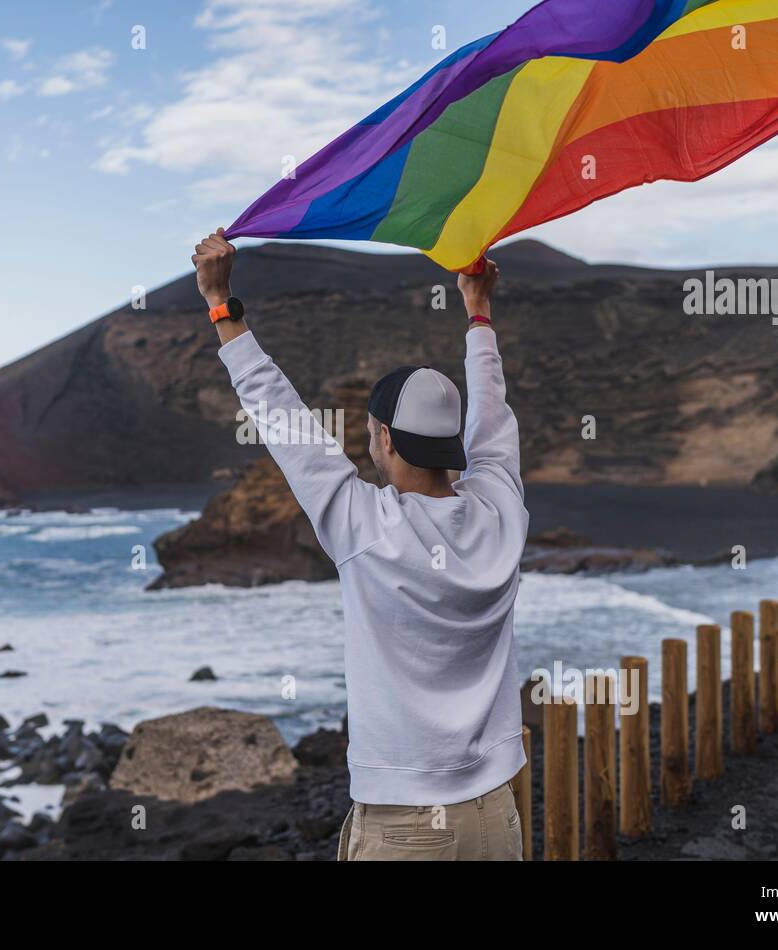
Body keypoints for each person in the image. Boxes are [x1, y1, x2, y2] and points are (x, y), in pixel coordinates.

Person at [192, 229, 529, 861]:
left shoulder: (365, 524)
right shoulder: (501, 511)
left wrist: (221, 303)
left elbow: (283, 419)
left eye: (374, 432)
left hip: (404, 826)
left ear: (387, 443)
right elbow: (493, 417)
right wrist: (478, 315)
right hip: (495, 815)